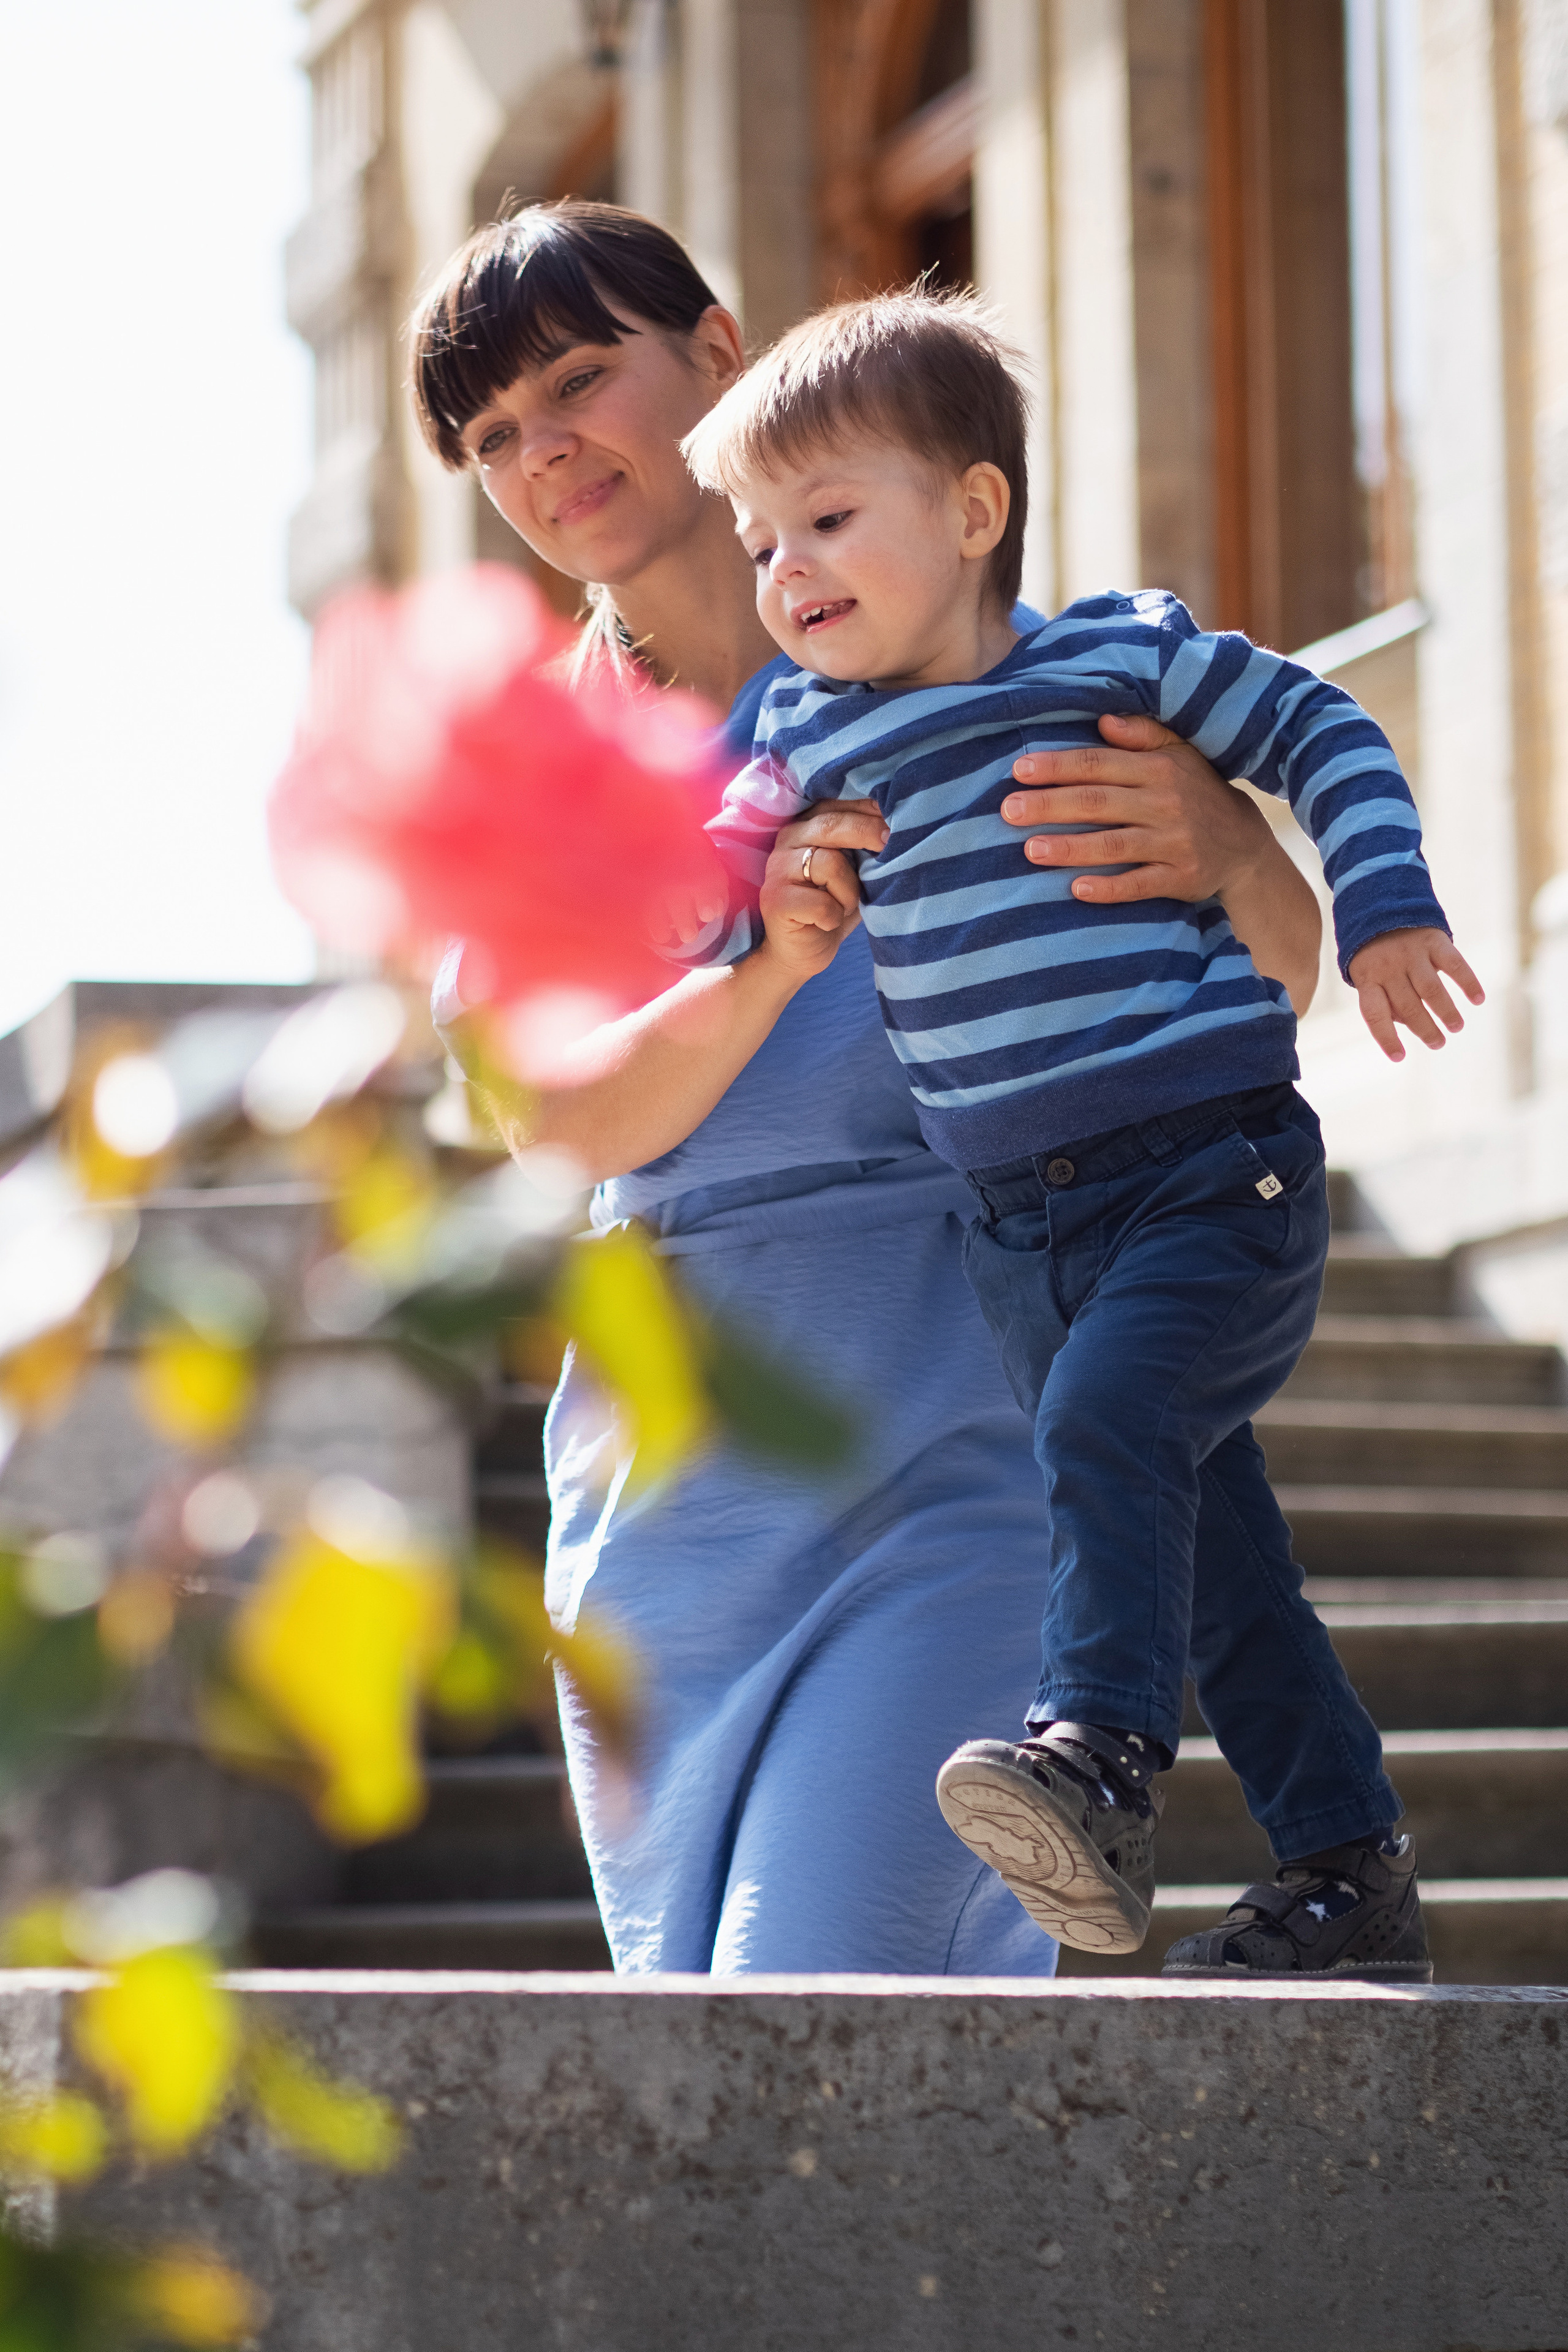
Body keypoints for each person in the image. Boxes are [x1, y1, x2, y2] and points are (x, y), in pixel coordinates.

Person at [409, 200, 1327, 1976]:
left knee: (813, 1995)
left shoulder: (1007, 679)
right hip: (666, 1513)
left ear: (721, 354)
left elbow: (1272, 979)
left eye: (585, 380)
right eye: (493, 435)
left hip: (960, 1436)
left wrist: (1226, 839)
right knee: (718, 2079)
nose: (548, 454)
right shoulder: (530, 777)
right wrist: (767, 964)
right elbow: (561, 1122)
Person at [671, 287, 1484, 1980]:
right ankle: (1349, 1883)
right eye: (760, 542)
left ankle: (1098, 1764)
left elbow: (1324, 726)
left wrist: (1386, 903)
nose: (787, 570)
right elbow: (698, 889)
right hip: (1023, 1234)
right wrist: (751, 891)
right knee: (1225, 1580)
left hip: (1211, 1174)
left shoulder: (1116, 655)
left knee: (1109, 1433)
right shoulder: (803, 737)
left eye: (827, 519)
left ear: (973, 512)